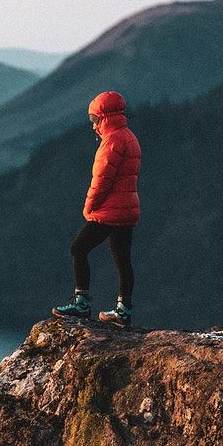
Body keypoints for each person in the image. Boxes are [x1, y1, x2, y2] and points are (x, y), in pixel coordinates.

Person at [52, 90, 141, 326]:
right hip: (127, 209)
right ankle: (123, 310)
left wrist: (89, 208)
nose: (93, 127)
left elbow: (101, 180)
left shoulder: (111, 142)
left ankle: (81, 303)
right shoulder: (129, 136)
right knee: (123, 259)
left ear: (104, 117)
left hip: (108, 211)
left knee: (78, 249)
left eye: (94, 120)